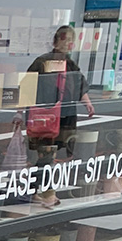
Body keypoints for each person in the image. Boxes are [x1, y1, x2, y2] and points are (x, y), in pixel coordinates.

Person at [26, 25, 94, 207]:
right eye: (64, 39)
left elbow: (80, 85)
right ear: (55, 41)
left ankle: (32, 190)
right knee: (47, 154)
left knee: (49, 155)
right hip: (44, 116)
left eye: (71, 40)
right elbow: (27, 86)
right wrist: (19, 112)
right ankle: (49, 194)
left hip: (64, 118)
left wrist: (87, 103)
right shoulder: (42, 62)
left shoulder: (70, 64)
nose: (67, 44)